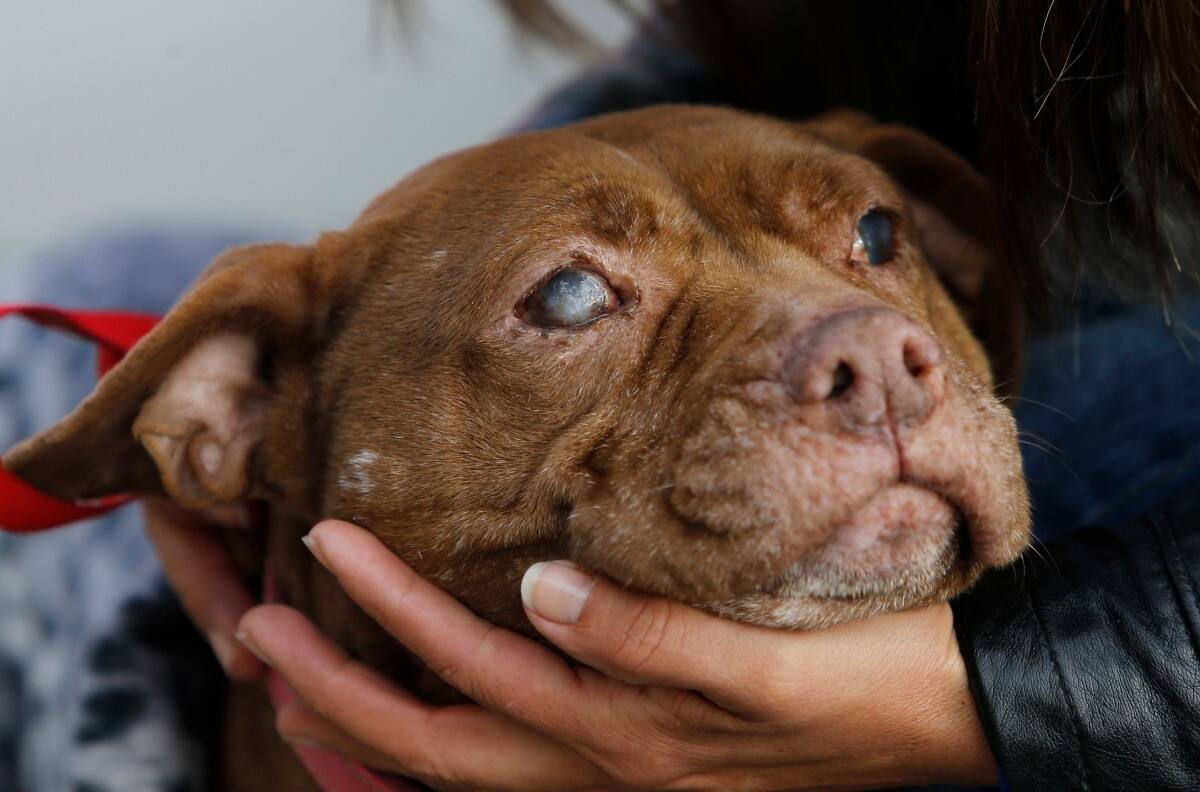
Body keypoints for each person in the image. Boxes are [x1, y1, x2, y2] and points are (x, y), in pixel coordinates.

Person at [2, 2, 1197, 790]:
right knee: (95, 273)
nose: (875, 347)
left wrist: (991, 700)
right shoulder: (287, 372)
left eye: (875, 239)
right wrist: (287, 363)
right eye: (572, 297)